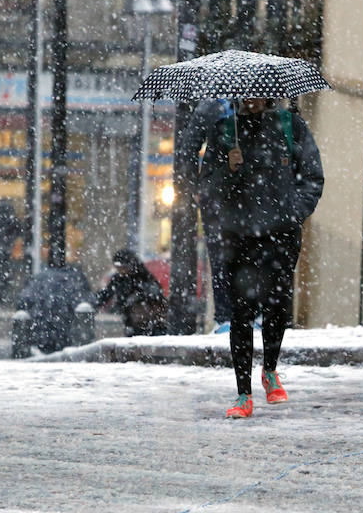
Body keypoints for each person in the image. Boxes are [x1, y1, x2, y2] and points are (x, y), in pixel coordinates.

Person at [197, 97, 324, 419]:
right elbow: (208, 187)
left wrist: (293, 214)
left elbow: (312, 176)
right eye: (246, 94)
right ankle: (244, 393)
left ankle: (270, 370)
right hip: (240, 234)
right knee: (241, 311)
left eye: (258, 93)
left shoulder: (289, 126)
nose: (252, 99)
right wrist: (229, 170)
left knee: (277, 304)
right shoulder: (225, 131)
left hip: (280, 234)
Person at [187, 99, 234, 333]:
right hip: (217, 195)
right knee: (220, 256)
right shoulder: (211, 108)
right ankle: (225, 317)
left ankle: (247, 314)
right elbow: (189, 146)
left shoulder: (260, 105)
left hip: (248, 192)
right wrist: (195, 187)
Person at [96, 248, 168, 337]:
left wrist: (136, 300)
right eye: (117, 267)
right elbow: (105, 294)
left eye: (122, 267)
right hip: (130, 321)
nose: (120, 270)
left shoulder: (143, 277)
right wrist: (94, 303)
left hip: (148, 322)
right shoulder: (118, 279)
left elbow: (155, 294)